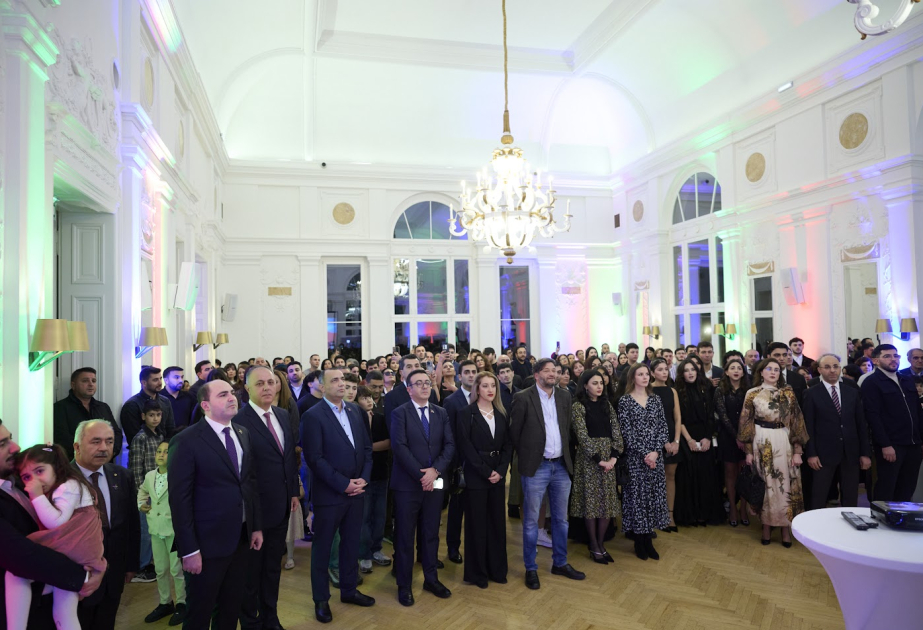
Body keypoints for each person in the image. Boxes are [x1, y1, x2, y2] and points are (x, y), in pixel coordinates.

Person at [168, 380, 263, 630]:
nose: (232, 397)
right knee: (199, 612)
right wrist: (189, 550)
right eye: (224, 394)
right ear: (205, 405)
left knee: (230, 608)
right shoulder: (186, 440)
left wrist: (255, 527)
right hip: (205, 545)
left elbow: (249, 484)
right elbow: (180, 500)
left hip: (240, 539)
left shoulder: (242, 433)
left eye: (232, 392)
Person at [0, 420, 102, 629]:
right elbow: (18, 553)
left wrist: (96, 562)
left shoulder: (24, 481)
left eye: (10, 438)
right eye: (2, 443)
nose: (15, 447)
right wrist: (84, 576)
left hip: (46, 603)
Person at [303, 369, 374, 623]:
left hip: (357, 491)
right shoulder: (313, 416)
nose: (342, 384)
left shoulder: (355, 411)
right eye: (334, 380)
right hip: (330, 494)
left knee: (351, 543)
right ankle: (321, 599)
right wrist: (344, 484)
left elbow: (366, 448)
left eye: (343, 380)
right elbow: (315, 458)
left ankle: (349, 590)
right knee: (322, 549)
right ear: (322, 387)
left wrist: (363, 478)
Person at [509, 358, 584, 590]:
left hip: (561, 466)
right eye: (548, 371)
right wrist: (528, 458)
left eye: (556, 370)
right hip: (536, 467)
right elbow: (514, 434)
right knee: (531, 522)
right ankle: (531, 568)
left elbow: (566, 429)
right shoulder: (523, 397)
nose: (553, 374)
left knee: (561, 520)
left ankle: (560, 563)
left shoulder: (564, 396)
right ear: (536, 374)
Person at [235, 366, 299, 630]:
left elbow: (288, 459)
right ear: (247, 388)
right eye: (260, 383)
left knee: (273, 569)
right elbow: (242, 474)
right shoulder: (239, 421)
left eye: (271, 382)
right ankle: (251, 622)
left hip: (281, 505)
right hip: (254, 513)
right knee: (250, 574)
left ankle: (271, 618)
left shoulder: (283, 415)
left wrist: (293, 491)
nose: (267, 388)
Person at [390, 370, 455, 606]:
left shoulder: (441, 412)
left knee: (430, 534)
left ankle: (431, 578)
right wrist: (422, 474)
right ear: (409, 389)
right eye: (419, 383)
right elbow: (399, 447)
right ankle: (404, 585)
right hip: (408, 484)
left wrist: (434, 471)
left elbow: (449, 445)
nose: (425, 387)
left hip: (435, 481)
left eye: (427, 383)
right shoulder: (400, 413)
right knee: (405, 536)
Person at [73, 420, 141, 629]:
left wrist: (131, 565)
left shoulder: (122, 476)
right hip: (77, 577)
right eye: (96, 441)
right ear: (76, 446)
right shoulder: (62, 479)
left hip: (114, 574)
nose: (104, 448)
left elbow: (131, 524)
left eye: (109, 442)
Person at [738, 358, 809, 547]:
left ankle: (786, 529)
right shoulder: (752, 394)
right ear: (761, 372)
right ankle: (766, 527)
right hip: (761, 441)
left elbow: (797, 422)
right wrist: (748, 451)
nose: (773, 372)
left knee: (785, 485)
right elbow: (746, 423)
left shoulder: (788, 393)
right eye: (769, 369)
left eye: (777, 369)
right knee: (766, 486)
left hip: (783, 440)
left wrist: (797, 451)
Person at [454, 371, 512, 587]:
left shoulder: (501, 413)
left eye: (493, 386)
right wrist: (487, 472)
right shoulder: (466, 413)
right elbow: (465, 447)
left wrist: (501, 470)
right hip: (477, 476)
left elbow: (508, 445)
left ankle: (497, 570)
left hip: (497, 475)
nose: (490, 390)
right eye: (485, 386)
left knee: (497, 524)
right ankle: (477, 574)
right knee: (476, 525)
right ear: (477, 388)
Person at [803, 354, 871, 510]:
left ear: (840, 368)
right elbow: (808, 426)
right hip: (823, 453)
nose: (832, 370)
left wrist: (865, 453)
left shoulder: (851, 392)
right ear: (819, 370)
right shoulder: (811, 393)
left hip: (850, 452)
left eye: (835, 367)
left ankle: (849, 530)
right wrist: (811, 453)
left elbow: (861, 424)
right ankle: (816, 529)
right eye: (827, 367)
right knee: (819, 495)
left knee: (850, 496)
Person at [568, 370, 622, 564]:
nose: (599, 386)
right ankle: (593, 545)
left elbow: (616, 431)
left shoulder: (607, 404)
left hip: (609, 457)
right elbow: (581, 436)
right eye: (594, 383)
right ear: (585, 385)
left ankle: (601, 543)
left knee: (607, 503)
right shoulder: (578, 406)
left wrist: (614, 457)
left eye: (601, 383)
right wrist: (598, 458)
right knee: (591, 504)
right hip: (590, 459)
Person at [617, 363, 670, 560]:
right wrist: (644, 454)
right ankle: (639, 541)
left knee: (653, 497)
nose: (645, 377)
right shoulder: (625, 401)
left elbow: (663, 428)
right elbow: (626, 433)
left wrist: (655, 452)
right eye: (640, 374)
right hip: (636, 458)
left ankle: (649, 539)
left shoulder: (655, 400)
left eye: (647, 374)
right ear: (633, 377)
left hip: (655, 458)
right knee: (637, 498)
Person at [860, 344, 923, 501]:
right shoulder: (871, 382)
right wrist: (885, 444)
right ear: (875, 360)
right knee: (886, 488)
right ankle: (882, 522)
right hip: (891, 445)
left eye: (896, 356)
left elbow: (917, 411)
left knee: (907, 487)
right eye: (887, 356)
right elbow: (873, 416)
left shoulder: (906, 379)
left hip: (914, 444)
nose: (893, 359)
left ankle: (901, 522)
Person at [137, 441, 186, 626]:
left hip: (173, 530)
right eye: (159, 451)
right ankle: (165, 602)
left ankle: (183, 602)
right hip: (156, 529)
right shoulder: (150, 476)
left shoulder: (178, 475)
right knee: (160, 568)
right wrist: (141, 504)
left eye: (166, 452)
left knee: (177, 569)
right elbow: (142, 492)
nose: (161, 454)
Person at [673, 359, 724, 526]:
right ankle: (691, 515)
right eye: (686, 370)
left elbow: (712, 416)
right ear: (681, 374)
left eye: (693, 369)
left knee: (707, 476)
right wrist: (689, 440)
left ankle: (706, 513)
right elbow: (678, 420)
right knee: (688, 477)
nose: (690, 373)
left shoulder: (706, 388)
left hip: (705, 436)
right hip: (687, 436)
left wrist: (708, 437)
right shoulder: (677, 392)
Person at [440, 360, 479, 565]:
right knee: (457, 510)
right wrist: (454, 464)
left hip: (480, 464)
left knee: (477, 510)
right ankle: (453, 547)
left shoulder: (484, 397)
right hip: (460, 465)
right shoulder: (452, 401)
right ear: (459, 375)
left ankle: (476, 546)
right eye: (467, 372)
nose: (471, 375)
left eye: (474, 372)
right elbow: (449, 435)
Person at [128, 399, 167, 584]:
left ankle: (151, 562)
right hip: (146, 491)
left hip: (160, 490)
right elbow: (136, 469)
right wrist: (140, 496)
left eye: (158, 415)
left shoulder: (160, 436)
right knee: (145, 531)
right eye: (151, 415)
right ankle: (141, 567)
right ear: (144, 417)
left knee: (156, 529)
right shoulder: (140, 438)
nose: (155, 418)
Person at [355, 386, 391, 573]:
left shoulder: (380, 418)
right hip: (362, 476)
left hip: (381, 473)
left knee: (379, 515)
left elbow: (388, 443)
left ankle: (376, 549)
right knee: (364, 517)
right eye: (364, 397)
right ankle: (364, 554)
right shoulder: (354, 420)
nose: (369, 400)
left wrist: (367, 448)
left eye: (370, 397)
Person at [53, 367, 121, 460]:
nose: (90, 384)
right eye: (85, 381)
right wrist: (88, 454)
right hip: (74, 465)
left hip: (104, 463)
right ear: (73, 385)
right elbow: (62, 438)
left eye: (93, 381)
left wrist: (111, 452)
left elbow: (116, 433)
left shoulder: (103, 407)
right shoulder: (60, 407)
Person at [715, 358, 751, 526]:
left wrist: (743, 436)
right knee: (730, 474)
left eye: (739, 368)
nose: (736, 370)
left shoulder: (749, 390)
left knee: (744, 474)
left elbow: (752, 414)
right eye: (732, 368)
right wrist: (736, 436)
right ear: (726, 372)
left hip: (747, 437)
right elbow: (722, 416)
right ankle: (733, 509)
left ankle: (743, 507)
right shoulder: (720, 390)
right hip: (728, 438)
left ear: (743, 372)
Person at [649, 359, 681, 532]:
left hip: (671, 436)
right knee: (655, 478)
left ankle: (670, 515)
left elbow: (677, 418)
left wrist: (676, 441)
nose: (664, 372)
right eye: (660, 370)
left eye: (666, 369)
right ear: (652, 373)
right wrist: (663, 442)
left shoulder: (672, 391)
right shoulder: (648, 391)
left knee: (670, 476)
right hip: (654, 439)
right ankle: (655, 515)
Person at [120, 367, 176, 447]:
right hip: (143, 453)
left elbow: (170, 428)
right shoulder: (132, 405)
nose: (160, 383)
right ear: (144, 383)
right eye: (155, 380)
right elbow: (133, 438)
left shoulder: (165, 401)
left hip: (164, 451)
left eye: (160, 379)